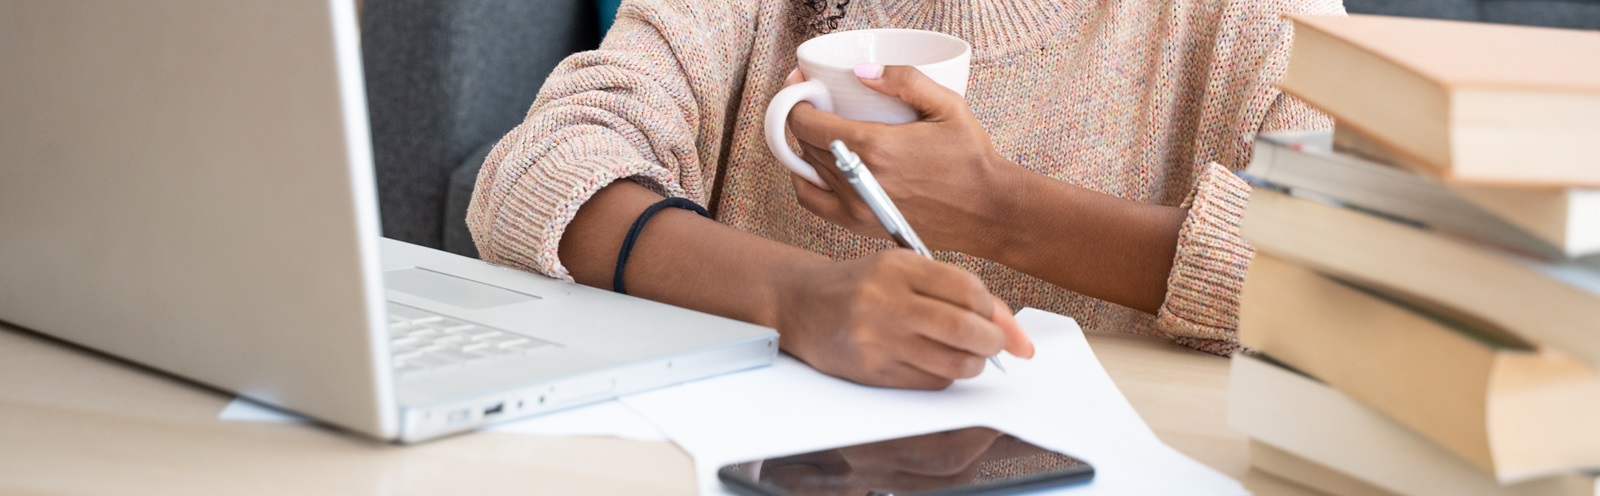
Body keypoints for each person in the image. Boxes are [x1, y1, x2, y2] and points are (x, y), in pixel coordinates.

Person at [467, 0, 1342, 389]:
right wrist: (795, 298)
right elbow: (538, 170)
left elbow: (1356, 287)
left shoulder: (1251, 20)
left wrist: (1000, 208)